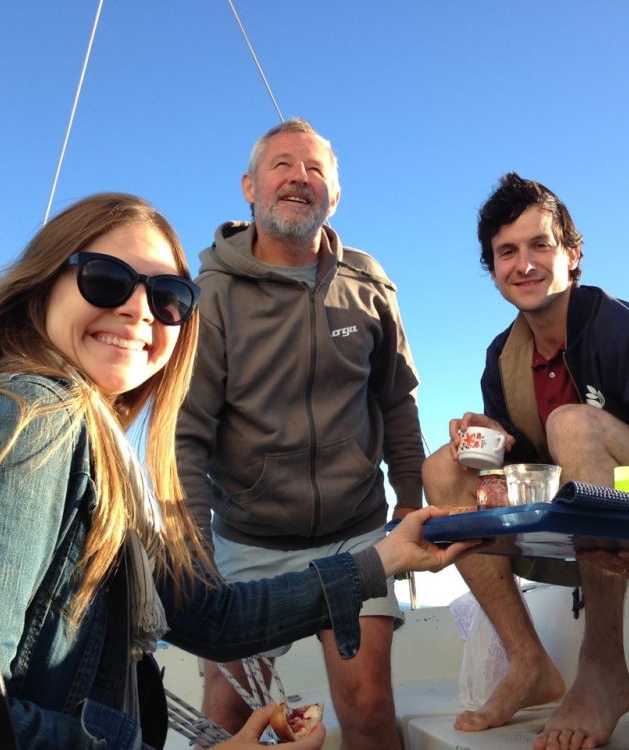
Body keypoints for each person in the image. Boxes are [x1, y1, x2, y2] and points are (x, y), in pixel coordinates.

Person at [0, 192, 475, 749]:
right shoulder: (31, 421)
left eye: (167, 297)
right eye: (107, 278)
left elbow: (214, 620)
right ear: (43, 282)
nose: (139, 310)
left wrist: (390, 555)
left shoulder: (97, 449)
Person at [422, 172, 629, 750]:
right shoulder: (501, 357)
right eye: (506, 252)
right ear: (492, 269)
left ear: (573, 253)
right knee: (443, 466)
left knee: (571, 420)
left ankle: (605, 666)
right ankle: (529, 662)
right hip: (575, 534)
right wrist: (497, 439)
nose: (525, 264)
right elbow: (532, 471)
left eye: (541, 245)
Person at [176, 117, 425, 749]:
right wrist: (194, 550)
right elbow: (187, 434)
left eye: (315, 169)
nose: (299, 178)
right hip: (249, 540)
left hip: (354, 531)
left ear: (334, 196)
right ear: (249, 187)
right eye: (282, 165)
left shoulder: (368, 286)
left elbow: (397, 401)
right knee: (225, 715)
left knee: (368, 706)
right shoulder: (211, 297)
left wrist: (412, 499)